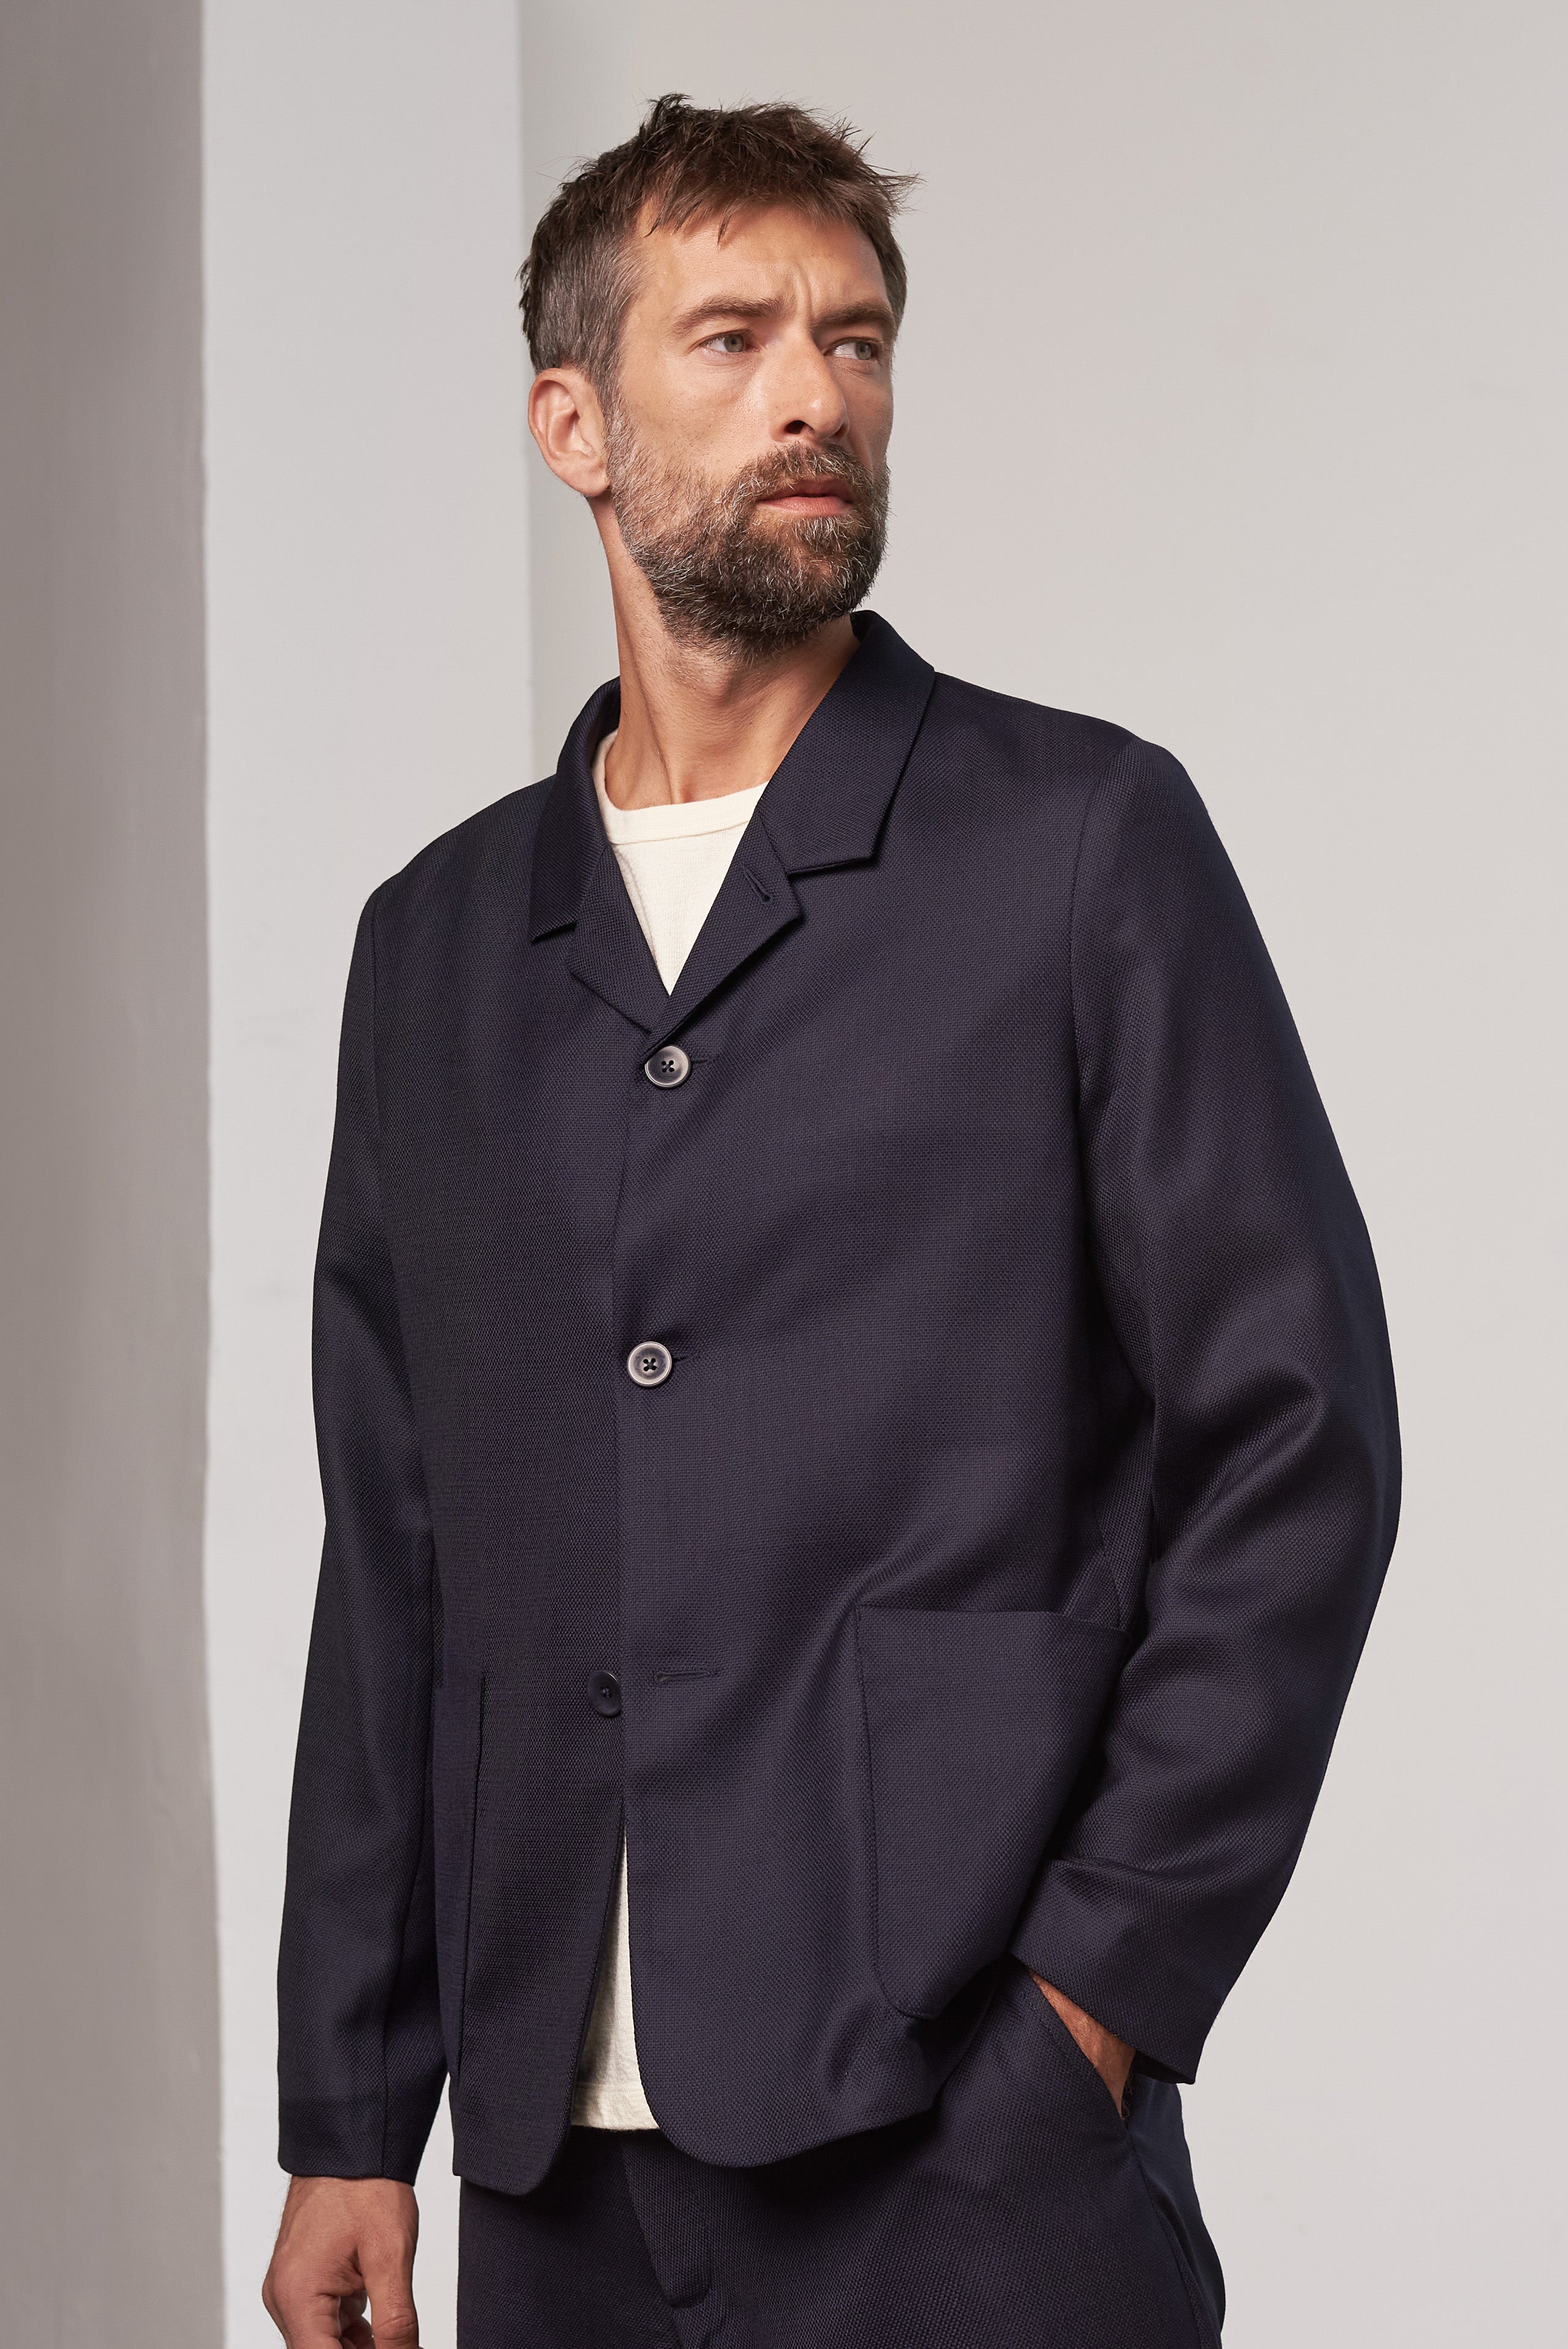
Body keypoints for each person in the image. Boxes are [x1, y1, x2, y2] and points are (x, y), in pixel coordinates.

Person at [263, 93, 1399, 2349]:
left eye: (857, 339)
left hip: (960, 2140)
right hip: (546, 2175)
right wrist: (349, 2111)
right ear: (573, 426)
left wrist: (1096, 2000)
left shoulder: (1079, 843)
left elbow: (1300, 1441)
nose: (818, 394)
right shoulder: (437, 948)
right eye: (736, 338)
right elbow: (393, 1551)